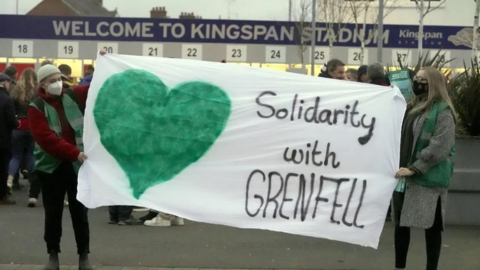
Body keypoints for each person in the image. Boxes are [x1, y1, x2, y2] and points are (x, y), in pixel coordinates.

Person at [28, 63, 97, 270]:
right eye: (53, 81)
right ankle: (53, 255)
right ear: (42, 84)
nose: (58, 83)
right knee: (53, 213)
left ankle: (84, 256)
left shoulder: (72, 95)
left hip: (77, 166)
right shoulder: (36, 107)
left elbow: (97, 86)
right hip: (51, 167)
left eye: (59, 79)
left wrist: (103, 62)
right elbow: (45, 138)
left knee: (80, 214)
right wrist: (74, 152)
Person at [393, 66, 456, 270]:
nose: (416, 82)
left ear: (433, 85)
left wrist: (416, 167)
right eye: (416, 78)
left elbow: (441, 146)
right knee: (401, 225)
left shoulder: (443, 111)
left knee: (432, 227)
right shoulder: (412, 107)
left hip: (427, 178)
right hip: (404, 174)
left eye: (421, 79)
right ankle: (399, 266)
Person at [8, 69, 37, 205]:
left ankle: (9, 180)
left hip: (18, 126)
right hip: (32, 126)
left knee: (16, 156)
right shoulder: (36, 91)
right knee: (31, 155)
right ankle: (32, 184)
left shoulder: (16, 91)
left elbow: (12, 109)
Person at [0, 74, 18, 205]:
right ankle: (2, 195)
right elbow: (12, 121)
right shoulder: (7, 99)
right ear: (5, 83)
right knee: (2, 168)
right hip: (3, 139)